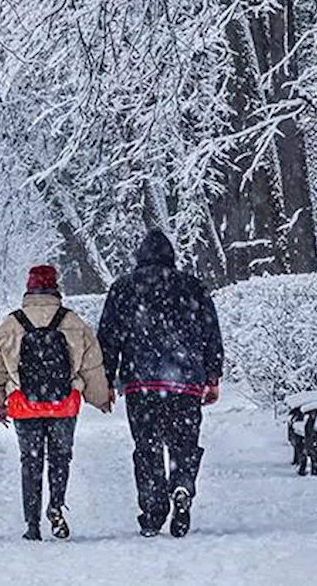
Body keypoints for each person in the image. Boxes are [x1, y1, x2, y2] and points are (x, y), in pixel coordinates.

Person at [98, 230, 223, 538]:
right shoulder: (192, 287)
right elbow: (211, 332)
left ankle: (153, 511)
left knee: (147, 447)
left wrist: (106, 379)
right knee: (184, 443)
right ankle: (182, 486)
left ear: (139, 256)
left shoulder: (124, 288)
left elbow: (109, 337)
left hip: (141, 384)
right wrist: (212, 375)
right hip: (186, 382)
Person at [0, 264, 111, 541]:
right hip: (63, 403)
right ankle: (55, 506)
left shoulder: (12, 323)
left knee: (30, 461)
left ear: (29, 289)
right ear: (56, 288)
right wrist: (100, 397)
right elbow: (91, 365)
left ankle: (31, 524)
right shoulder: (73, 322)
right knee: (60, 458)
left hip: (24, 404)